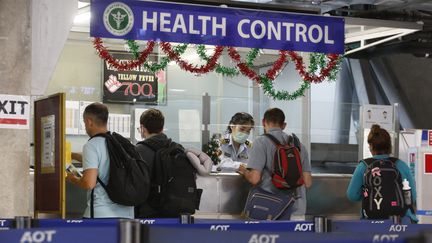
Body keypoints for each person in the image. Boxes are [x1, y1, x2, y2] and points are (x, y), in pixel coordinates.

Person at [238, 108, 312, 220]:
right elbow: (308, 182)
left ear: (263, 122)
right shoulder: (299, 146)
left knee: (270, 238)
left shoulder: (261, 142)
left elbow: (254, 179)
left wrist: (244, 171)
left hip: (271, 209)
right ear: (284, 125)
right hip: (297, 210)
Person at [66, 103, 134, 218]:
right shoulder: (119, 142)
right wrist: (72, 155)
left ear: (89, 121)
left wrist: (71, 179)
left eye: (84, 122)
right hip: (126, 213)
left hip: (100, 215)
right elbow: (103, 162)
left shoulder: (92, 145)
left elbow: (89, 183)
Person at [347, 124, 417, 223]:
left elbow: (352, 195)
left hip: (371, 223)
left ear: (371, 147)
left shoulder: (364, 166)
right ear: (389, 146)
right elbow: (412, 197)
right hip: (401, 222)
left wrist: (368, 194)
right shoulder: (400, 165)